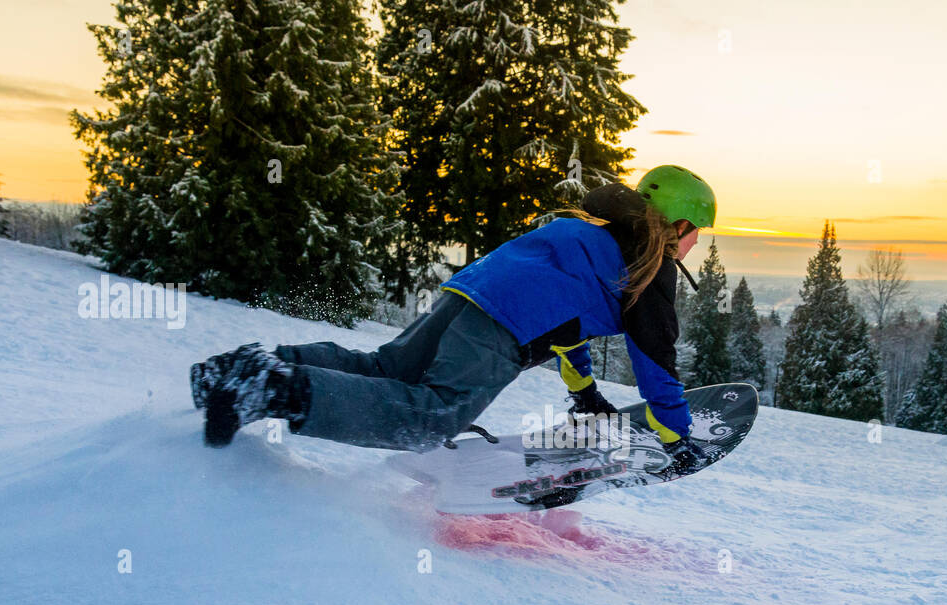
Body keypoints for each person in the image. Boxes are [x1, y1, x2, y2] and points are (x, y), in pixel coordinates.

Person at [190, 165, 716, 472]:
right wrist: (674, 435)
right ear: (681, 223)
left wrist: (583, 391)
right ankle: (274, 390)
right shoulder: (651, 265)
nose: (696, 245)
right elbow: (655, 357)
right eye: (699, 233)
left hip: (467, 294)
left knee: (386, 370)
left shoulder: (593, 234)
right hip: (500, 326)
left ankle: (240, 369)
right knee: (431, 416)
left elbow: (566, 320)